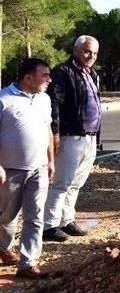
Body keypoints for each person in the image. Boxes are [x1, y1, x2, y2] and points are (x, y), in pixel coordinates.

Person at [0, 58, 55, 278]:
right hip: (9, 170)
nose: (49, 80)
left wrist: (50, 161)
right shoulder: (4, 99)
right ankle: (4, 249)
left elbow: (48, 131)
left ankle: (28, 262)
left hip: (38, 168)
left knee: (35, 216)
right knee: (5, 216)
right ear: (28, 77)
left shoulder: (44, 99)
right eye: (45, 76)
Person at [44, 35, 101, 242]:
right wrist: (56, 133)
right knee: (61, 183)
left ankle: (66, 220)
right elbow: (54, 104)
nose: (91, 56)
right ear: (76, 50)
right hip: (70, 137)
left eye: (94, 53)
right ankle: (49, 226)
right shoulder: (62, 72)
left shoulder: (91, 74)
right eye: (87, 51)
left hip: (89, 138)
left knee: (76, 183)